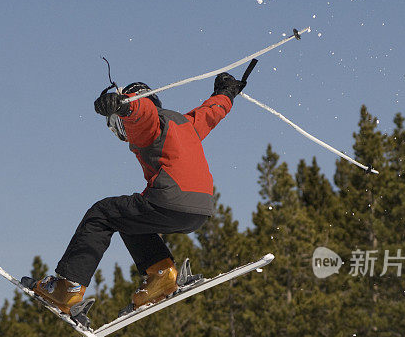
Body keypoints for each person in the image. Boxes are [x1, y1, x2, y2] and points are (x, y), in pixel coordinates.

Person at [26, 73, 247, 315]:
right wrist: (226, 93)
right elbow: (212, 112)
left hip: (171, 200)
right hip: (200, 209)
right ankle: (161, 275)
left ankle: (67, 287)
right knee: (128, 219)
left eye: (118, 125)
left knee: (102, 213)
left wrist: (124, 106)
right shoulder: (186, 124)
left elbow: (144, 111)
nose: (122, 132)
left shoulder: (147, 123)